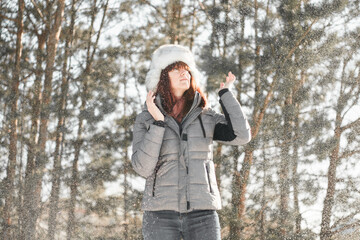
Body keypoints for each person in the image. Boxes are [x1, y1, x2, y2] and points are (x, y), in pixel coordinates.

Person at [131, 44, 251, 240]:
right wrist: (159, 124)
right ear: (162, 77)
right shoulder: (146, 119)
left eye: (186, 69)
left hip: (202, 212)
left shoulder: (206, 116)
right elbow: (142, 168)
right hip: (159, 214)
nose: (183, 73)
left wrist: (226, 95)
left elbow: (242, 135)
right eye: (176, 69)